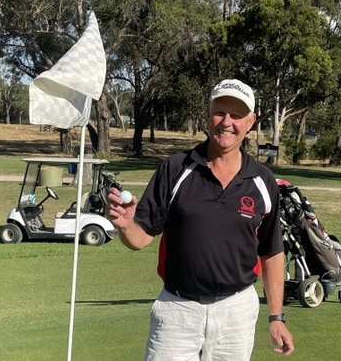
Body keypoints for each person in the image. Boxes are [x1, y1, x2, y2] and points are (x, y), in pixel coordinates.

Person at [107, 78, 294, 360]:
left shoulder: (262, 180)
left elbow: (271, 251)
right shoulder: (175, 168)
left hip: (236, 311)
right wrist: (126, 225)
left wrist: (276, 317)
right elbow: (140, 237)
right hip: (177, 310)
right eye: (220, 112)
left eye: (237, 115)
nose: (226, 122)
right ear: (208, 114)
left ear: (251, 121)